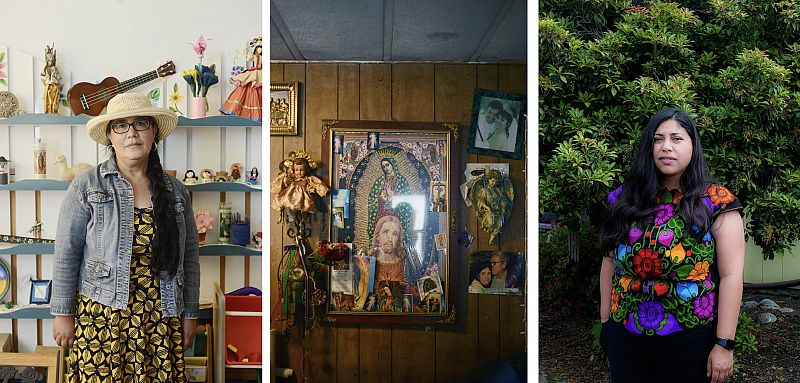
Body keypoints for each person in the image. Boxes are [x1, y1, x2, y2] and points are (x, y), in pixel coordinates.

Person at [51, 93, 200, 382]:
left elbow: (190, 258)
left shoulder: (175, 190)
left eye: (140, 124)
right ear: (110, 136)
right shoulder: (87, 185)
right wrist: (63, 314)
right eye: (121, 125)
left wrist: (190, 315)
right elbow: (66, 253)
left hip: (161, 317)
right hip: (102, 317)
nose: (131, 133)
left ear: (154, 131)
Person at [598, 108, 744, 383]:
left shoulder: (717, 202)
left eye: (676, 138)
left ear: (692, 146)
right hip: (625, 338)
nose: (666, 147)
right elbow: (608, 261)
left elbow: (731, 276)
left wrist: (724, 344)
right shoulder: (624, 199)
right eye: (658, 139)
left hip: (690, 340)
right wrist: (606, 323)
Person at [369, 214, 422, 293]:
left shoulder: (406, 264)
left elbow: (419, 291)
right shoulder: (368, 263)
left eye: (395, 234)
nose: (390, 239)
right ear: (377, 236)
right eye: (385, 232)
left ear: (399, 239)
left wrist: (413, 291)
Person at [219, 37, 262, 121]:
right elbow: (248, 57)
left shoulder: (262, 57)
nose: (258, 49)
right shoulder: (252, 55)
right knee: (245, 89)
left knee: (258, 88)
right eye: (257, 47)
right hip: (253, 72)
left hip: (259, 72)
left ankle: (257, 114)